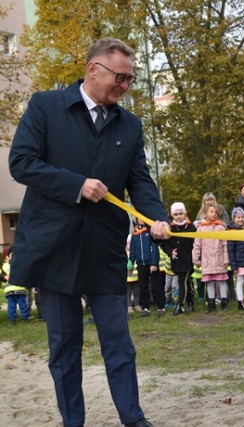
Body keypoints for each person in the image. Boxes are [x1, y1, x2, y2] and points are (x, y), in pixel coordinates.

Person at [8, 37, 170, 427]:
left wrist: (156, 217)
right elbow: (21, 163)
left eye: (131, 80)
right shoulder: (46, 105)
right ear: (93, 69)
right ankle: (73, 422)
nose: (125, 86)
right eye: (120, 77)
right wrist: (76, 184)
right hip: (54, 248)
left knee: (119, 344)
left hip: (104, 250)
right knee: (64, 347)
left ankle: (133, 419)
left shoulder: (130, 125)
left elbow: (140, 180)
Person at [160, 202, 197, 315]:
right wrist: (170, 251)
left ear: (185, 213)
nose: (179, 216)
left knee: (182, 281)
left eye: (181, 213)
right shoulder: (170, 228)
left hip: (188, 259)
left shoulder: (191, 227)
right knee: (186, 281)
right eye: (176, 214)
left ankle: (180, 306)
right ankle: (191, 303)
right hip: (176, 260)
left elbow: (196, 243)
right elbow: (164, 243)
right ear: (172, 215)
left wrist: (196, 256)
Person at [192, 203, 230, 312]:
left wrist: (226, 259)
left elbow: (225, 244)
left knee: (222, 281)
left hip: (219, 260)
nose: (214, 214)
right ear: (205, 213)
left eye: (216, 212)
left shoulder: (221, 227)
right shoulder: (201, 229)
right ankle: (211, 303)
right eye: (211, 212)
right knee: (209, 282)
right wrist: (196, 259)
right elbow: (197, 244)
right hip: (207, 261)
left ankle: (224, 302)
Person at [129, 217, 165, 317]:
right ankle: (145, 307)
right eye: (139, 218)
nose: (141, 219)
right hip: (141, 264)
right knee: (143, 286)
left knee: (156, 285)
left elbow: (154, 248)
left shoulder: (150, 232)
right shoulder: (134, 235)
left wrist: (154, 263)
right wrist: (131, 263)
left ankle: (161, 306)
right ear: (136, 220)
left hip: (151, 264)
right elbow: (132, 249)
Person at [2, 247, 30, 325]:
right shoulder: (5, 266)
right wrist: (3, 276)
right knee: (15, 305)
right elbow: (1, 275)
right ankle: (17, 319)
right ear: (7, 257)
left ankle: (20, 318)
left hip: (18, 289)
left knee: (19, 305)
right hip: (13, 290)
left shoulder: (19, 265)